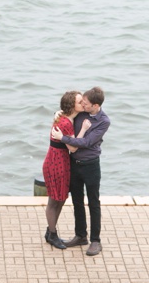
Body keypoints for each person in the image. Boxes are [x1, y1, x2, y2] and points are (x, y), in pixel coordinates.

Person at [51, 86, 110, 257]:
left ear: (96, 105)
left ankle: (95, 240)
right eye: (82, 102)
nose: (83, 105)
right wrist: (58, 113)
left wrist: (62, 138)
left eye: (86, 103)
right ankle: (80, 236)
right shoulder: (82, 112)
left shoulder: (104, 121)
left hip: (91, 164)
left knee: (93, 202)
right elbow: (68, 115)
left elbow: (86, 142)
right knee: (77, 200)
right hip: (74, 163)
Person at [41, 90, 90, 249]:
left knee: (60, 198)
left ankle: (51, 231)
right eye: (79, 102)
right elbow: (73, 148)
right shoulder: (65, 123)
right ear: (72, 106)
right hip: (56, 162)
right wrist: (83, 130)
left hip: (60, 160)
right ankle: (52, 234)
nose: (83, 103)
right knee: (55, 199)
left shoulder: (65, 118)